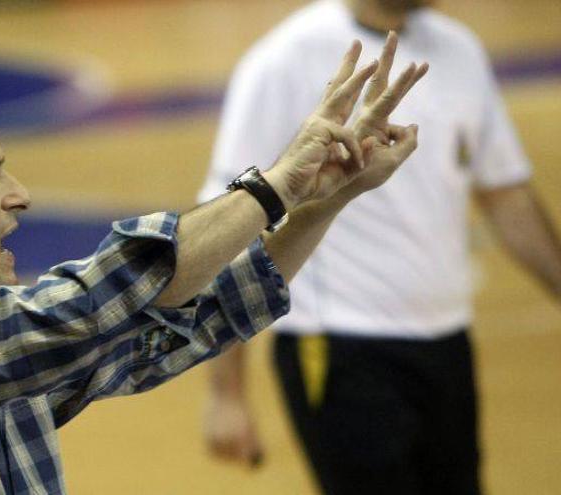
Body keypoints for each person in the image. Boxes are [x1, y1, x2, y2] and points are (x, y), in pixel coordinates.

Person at [0, 37, 425, 493]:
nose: (18, 194)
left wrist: (320, 201)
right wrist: (270, 186)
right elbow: (67, 317)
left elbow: (177, 324)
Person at [200, 1, 561, 494]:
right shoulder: (286, 57)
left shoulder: (460, 50)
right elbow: (232, 217)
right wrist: (227, 393)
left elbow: (506, 193)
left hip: (447, 342)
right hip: (340, 348)